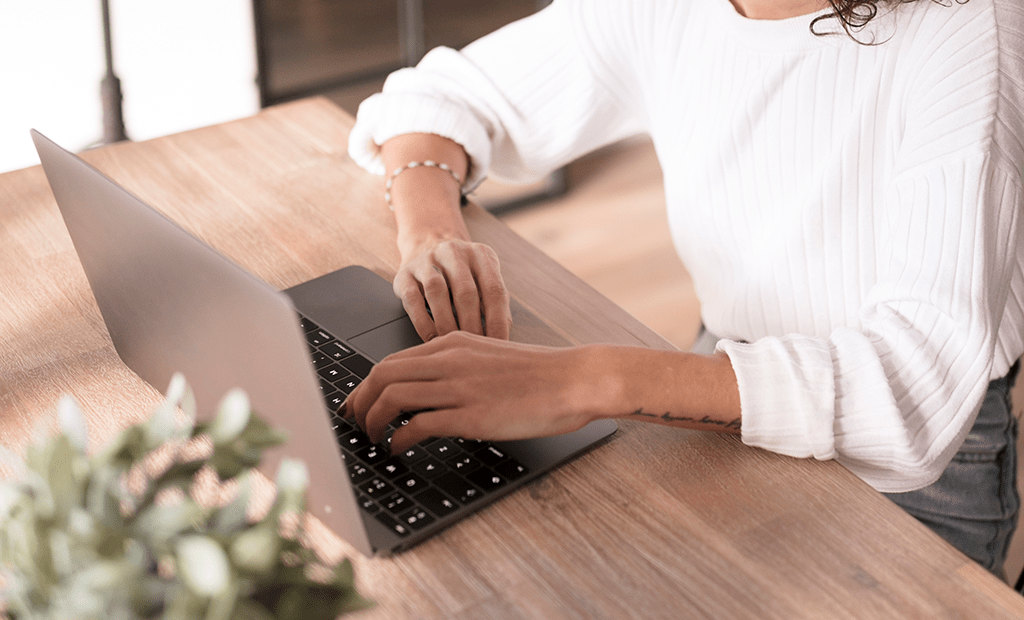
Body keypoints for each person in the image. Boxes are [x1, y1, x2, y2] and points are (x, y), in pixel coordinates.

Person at [344, 0, 1024, 579]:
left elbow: (916, 394)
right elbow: (442, 96)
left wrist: (588, 380)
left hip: (915, 473)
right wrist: (432, 231)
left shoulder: (970, 27)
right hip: (714, 374)